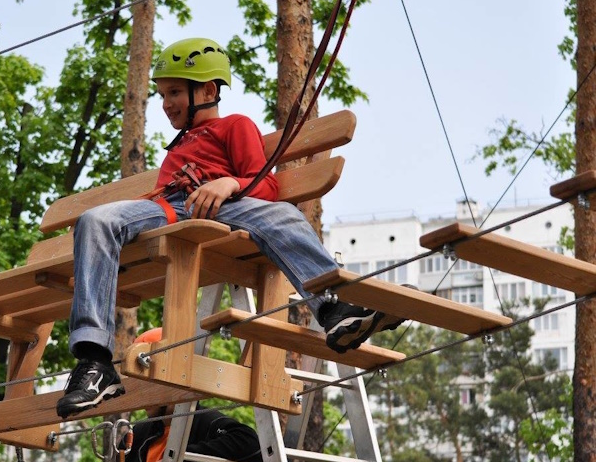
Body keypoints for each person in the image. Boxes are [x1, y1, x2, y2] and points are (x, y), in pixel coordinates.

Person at [56, 37, 404, 419]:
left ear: (206, 90)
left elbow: (266, 187)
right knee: (95, 220)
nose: (166, 103)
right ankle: (94, 363)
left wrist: (229, 183)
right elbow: (162, 202)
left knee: (284, 217)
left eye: (174, 92)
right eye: (162, 94)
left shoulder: (236, 126)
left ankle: (334, 310)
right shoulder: (178, 147)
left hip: (226, 207)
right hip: (170, 210)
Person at [116, 328, 264, 462]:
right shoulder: (138, 435)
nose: (142, 394)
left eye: (148, 383)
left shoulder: (204, 422)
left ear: (171, 378)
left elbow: (251, 444)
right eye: (139, 383)